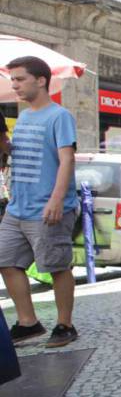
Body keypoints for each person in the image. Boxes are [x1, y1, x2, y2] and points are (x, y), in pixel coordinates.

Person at [0, 56, 82, 348]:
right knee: (6, 261)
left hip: (47, 207)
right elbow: (22, 155)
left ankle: (65, 325)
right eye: (13, 80)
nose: (15, 85)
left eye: (20, 79)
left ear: (41, 80)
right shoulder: (23, 117)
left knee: (57, 266)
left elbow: (66, 159)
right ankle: (28, 322)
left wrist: (57, 199)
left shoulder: (59, 116)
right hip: (17, 207)